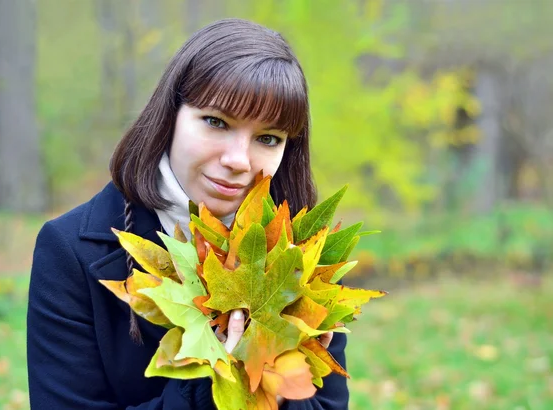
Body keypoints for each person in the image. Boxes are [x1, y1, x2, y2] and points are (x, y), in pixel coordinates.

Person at [27, 18, 348, 409]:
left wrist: (282, 380)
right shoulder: (71, 250)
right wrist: (213, 385)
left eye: (268, 138)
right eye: (217, 122)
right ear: (171, 115)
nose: (238, 160)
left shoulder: (299, 251)